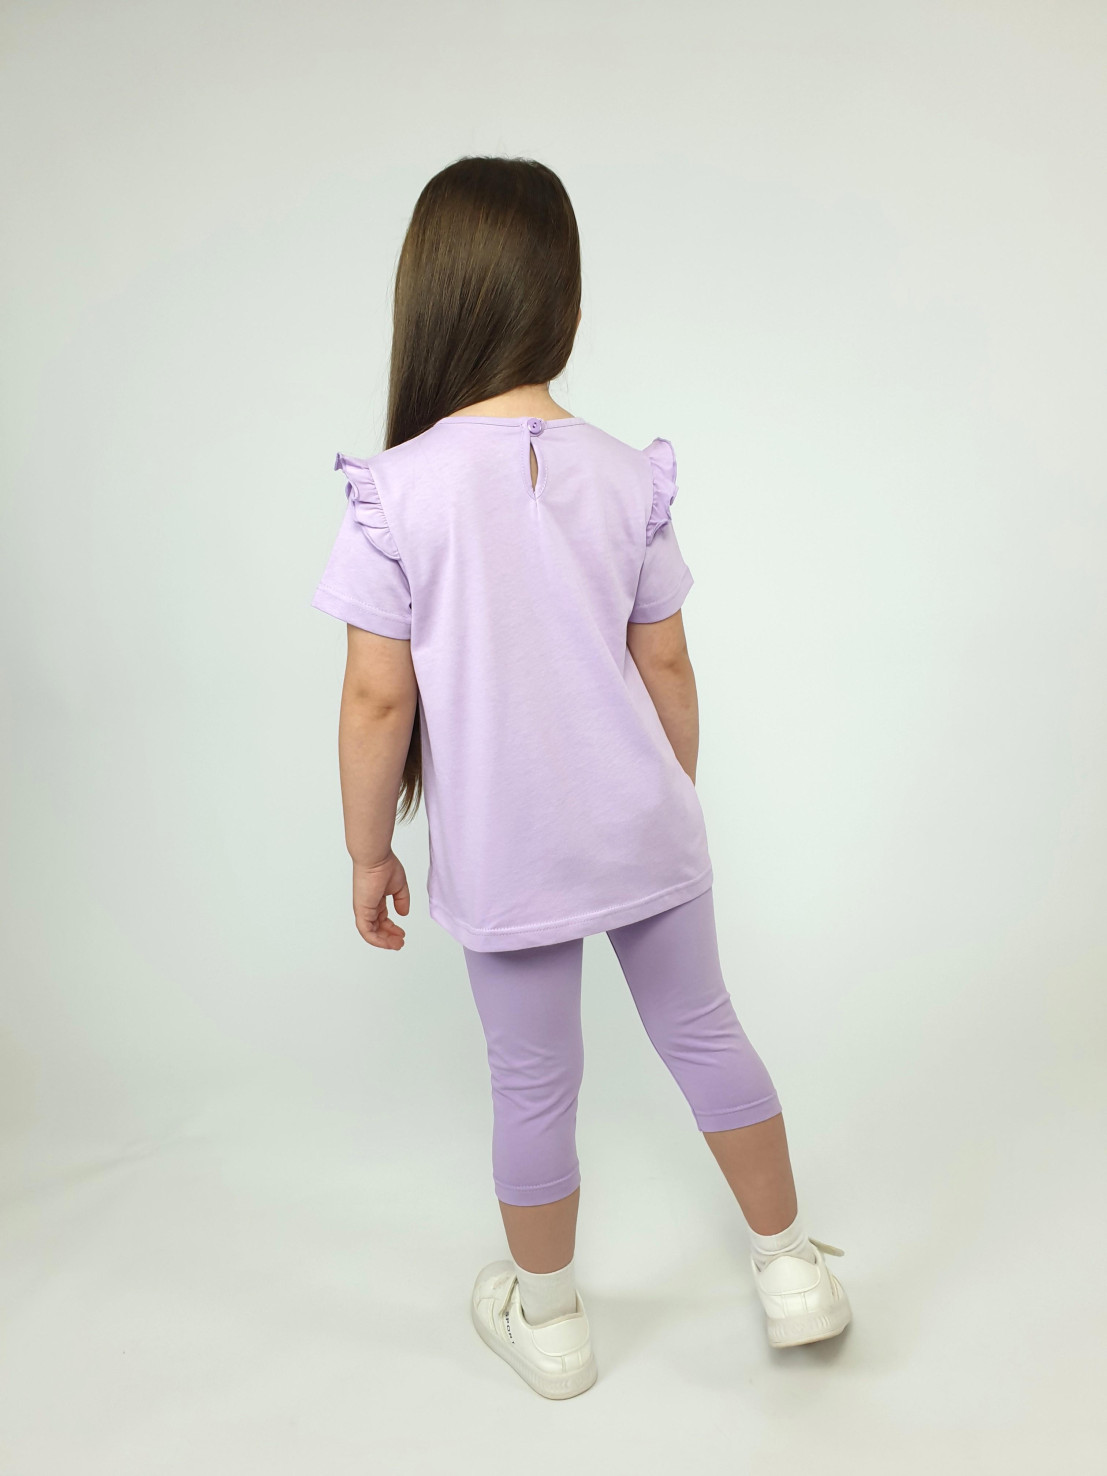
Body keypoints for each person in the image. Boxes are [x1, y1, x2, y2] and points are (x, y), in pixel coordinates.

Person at [310, 155, 851, 1400]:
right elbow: (668, 664)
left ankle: (549, 1321)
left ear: (427, 299)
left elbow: (378, 699)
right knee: (706, 1032)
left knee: (533, 1079)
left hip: (507, 849)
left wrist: (369, 850)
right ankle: (792, 1269)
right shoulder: (623, 473)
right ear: (567, 305)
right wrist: (667, 801)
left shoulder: (395, 494)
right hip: (644, 828)